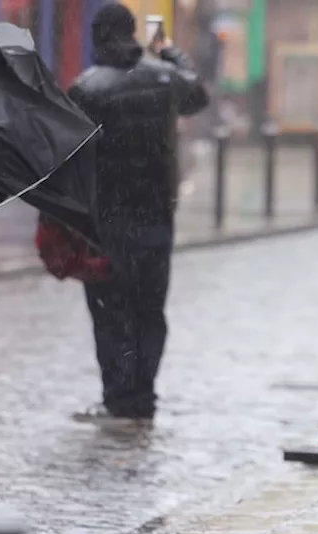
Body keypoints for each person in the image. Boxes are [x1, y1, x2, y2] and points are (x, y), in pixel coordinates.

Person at [66, 3, 209, 430]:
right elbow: (198, 95)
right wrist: (170, 52)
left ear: (98, 37)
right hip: (157, 216)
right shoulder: (164, 79)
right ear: (133, 33)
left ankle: (118, 397)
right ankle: (143, 395)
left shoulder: (86, 88)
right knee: (150, 309)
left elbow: (72, 159)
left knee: (111, 311)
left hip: (106, 219)